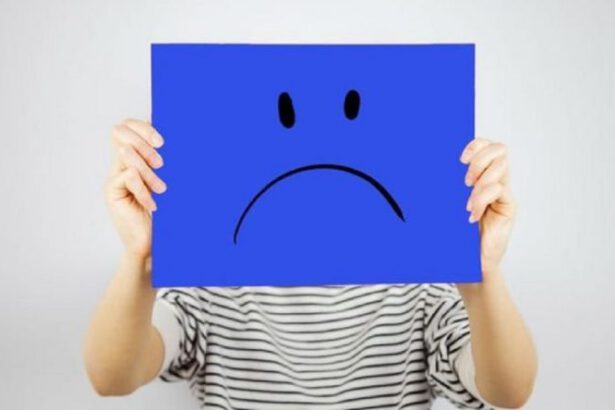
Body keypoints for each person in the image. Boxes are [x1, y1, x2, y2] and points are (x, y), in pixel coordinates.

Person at [84, 118, 537, 409]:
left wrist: (483, 277)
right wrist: (143, 260)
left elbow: (508, 391)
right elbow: (112, 377)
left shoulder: (419, 291)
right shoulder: (212, 289)